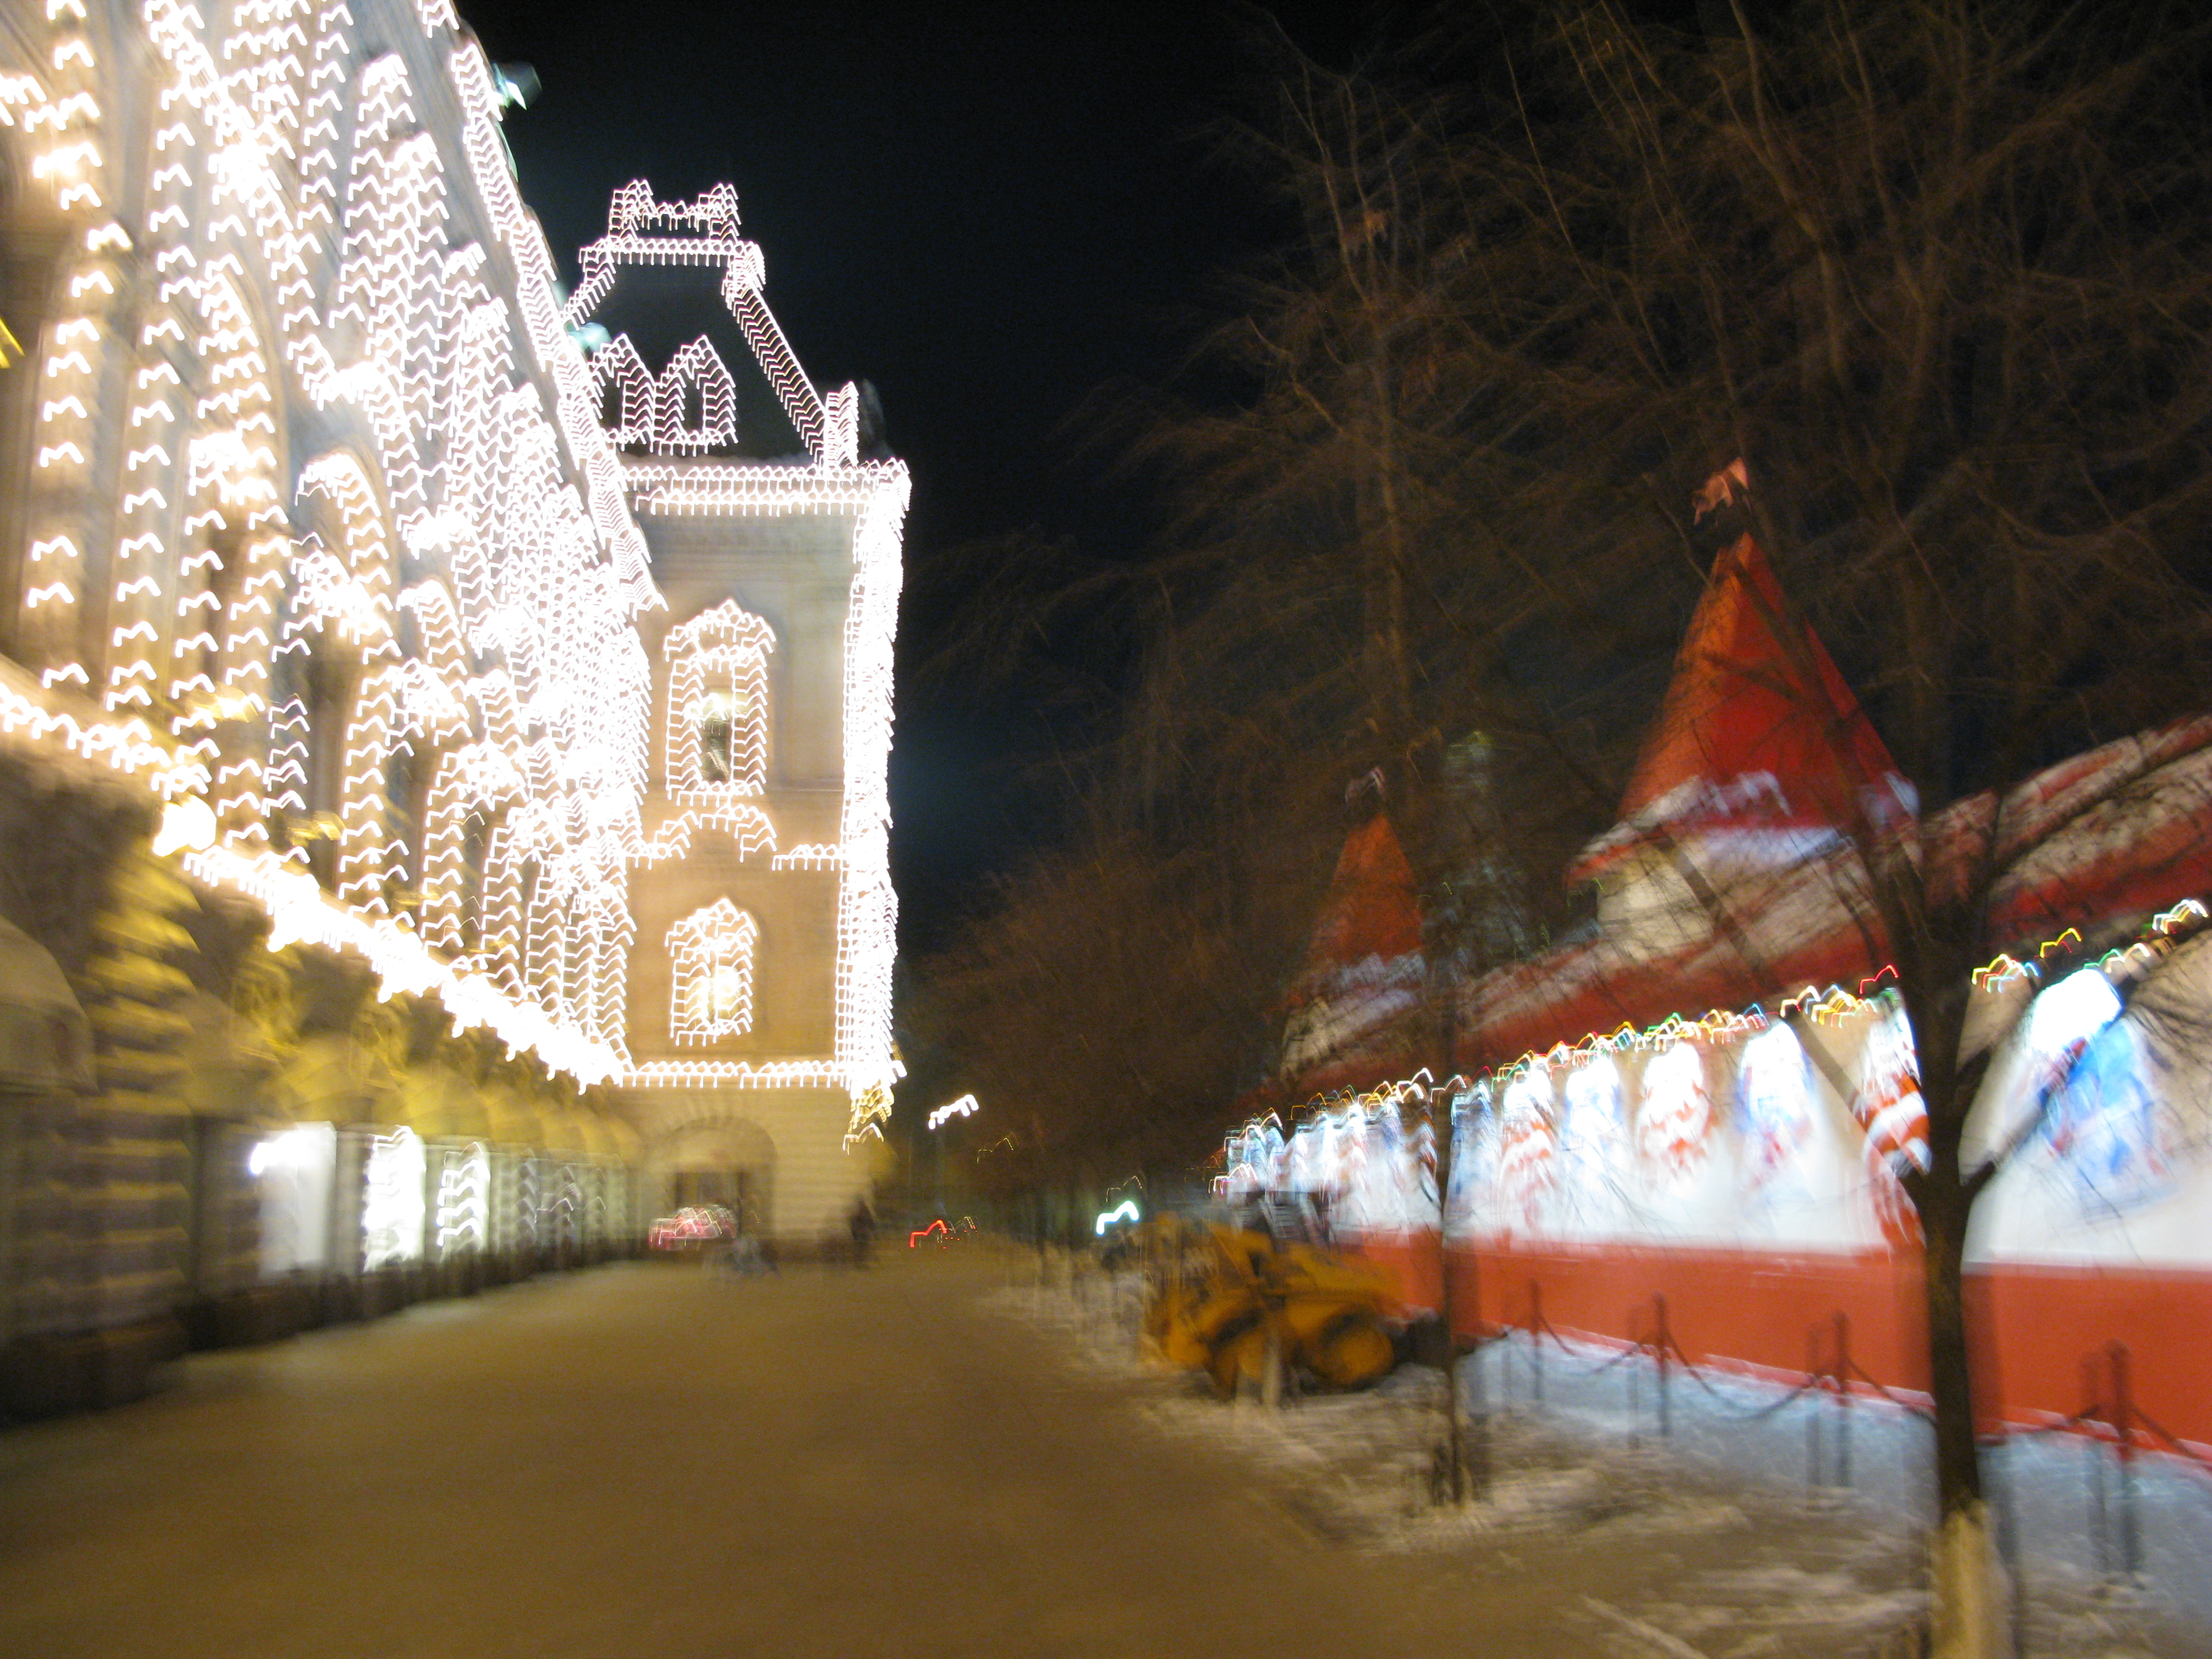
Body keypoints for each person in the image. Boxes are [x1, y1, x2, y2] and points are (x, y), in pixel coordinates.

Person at [846, 1194, 876, 1266]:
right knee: (862, 1248)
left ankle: (860, 1263)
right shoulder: (863, 1210)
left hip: (859, 1232)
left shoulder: (855, 1210)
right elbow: (870, 1220)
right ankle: (860, 1263)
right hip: (861, 1232)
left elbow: (851, 1221)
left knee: (861, 1248)